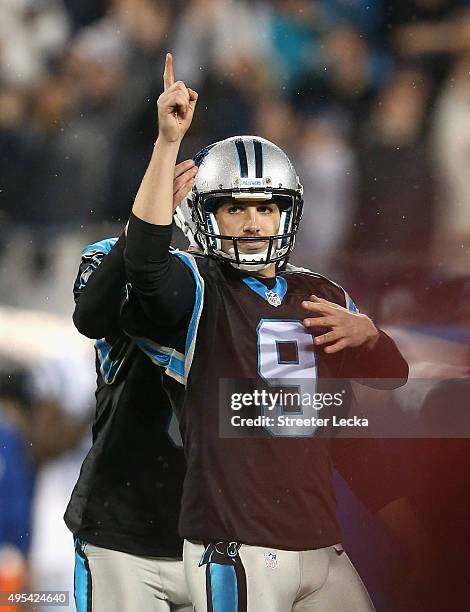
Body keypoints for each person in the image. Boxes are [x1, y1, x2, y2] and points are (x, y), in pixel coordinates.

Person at [121, 53, 409, 611]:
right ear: (205, 216)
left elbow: (389, 379)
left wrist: (371, 337)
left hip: (322, 545)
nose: (253, 222)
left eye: (266, 208)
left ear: (289, 215)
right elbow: (146, 268)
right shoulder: (198, 285)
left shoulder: (317, 292)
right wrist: (165, 146)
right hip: (240, 541)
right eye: (234, 208)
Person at [64, 161, 197, 612]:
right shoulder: (106, 254)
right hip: (123, 517)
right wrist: (140, 233)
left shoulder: (242, 281)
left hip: (213, 526)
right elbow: (91, 317)